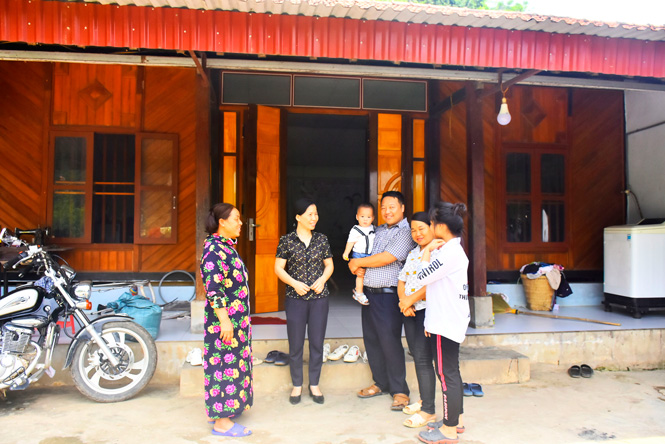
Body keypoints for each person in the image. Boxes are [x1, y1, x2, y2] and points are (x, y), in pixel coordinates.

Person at [348, 190, 415, 411]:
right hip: (369, 294)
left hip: (389, 295)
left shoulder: (405, 232)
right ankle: (380, 383)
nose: (387, 211)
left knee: (389, 341)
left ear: (402, 208)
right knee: (372, 341)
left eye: (392, 207)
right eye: (383, 207)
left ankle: (400, 390)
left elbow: (388, 257)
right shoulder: (376, 230)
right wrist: (356, 263)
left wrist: (359, 263)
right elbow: (362, 251)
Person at [415, 202, 470, 444]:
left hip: (445, 322)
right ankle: (456, 421)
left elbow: (422, 276)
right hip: (448, 319)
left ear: (441, 226)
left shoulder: (448, 253)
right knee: (451, 372)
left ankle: (448, 430)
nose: (430, 227)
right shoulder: (452, 250)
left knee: (446, 374)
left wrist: (426, 252)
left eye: (431, 223)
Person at [199, 203, 253, 438]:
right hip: (224, 322)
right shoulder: (214, 250)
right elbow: (214, 289)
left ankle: (222, 411)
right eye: (236, 219)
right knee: (223, 366)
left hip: (235, 321)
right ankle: (222, 423)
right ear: (222, 222)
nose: (241, 223)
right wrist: (225, 321)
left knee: (232, 365)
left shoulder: (225, 246)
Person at [274, 198, 334, 405]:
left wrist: (322, 280)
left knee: (317, 342)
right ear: (298, 217)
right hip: (295, 299)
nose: (314, 218)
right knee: (296, 343)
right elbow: (278, 268)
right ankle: (297, 385)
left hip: (319, 299)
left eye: (315, 214)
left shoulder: (322, 239)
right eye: (310, 214)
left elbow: (329, 265)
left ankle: (314, 384)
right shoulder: (287, 240)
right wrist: (294, 283)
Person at [397, 212, 437, 428]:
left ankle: (428, 411)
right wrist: (404, 302)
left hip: (426, 311)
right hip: (410, 310)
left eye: (421, 228)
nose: (417, 233)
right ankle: (424, 401)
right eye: (413, 230)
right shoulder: (413, 252)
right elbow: (402, 279)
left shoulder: (438, 252)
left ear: (432, 227)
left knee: (423, 359)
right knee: (417, 356)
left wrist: (409, 301)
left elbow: (432, 284)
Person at [342, 203, 376, 306]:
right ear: (357, 217)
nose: (365, 219)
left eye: (368, 217)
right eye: (362, 216)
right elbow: (350, 242)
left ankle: (359, 289)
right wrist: (346, 252)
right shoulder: (355, 230)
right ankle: (359, 293)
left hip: (370, 255)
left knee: (368, 274)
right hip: (359, 255)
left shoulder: (374, 228)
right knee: (360, 274)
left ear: (373, 218)